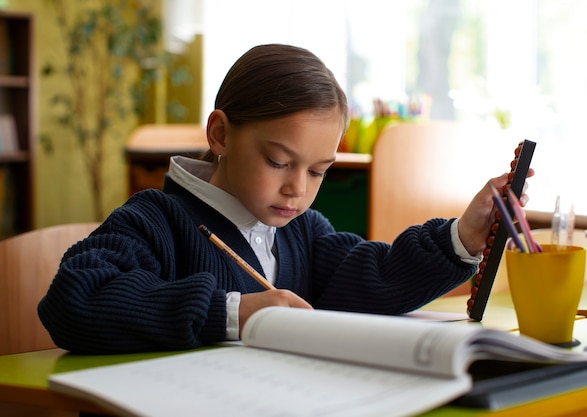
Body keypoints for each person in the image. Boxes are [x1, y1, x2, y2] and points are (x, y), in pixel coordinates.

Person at [38, 44, 533, 354]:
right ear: (220, 134)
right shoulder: (154, 221)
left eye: (318, 170)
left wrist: (464, 236)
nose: (298, 188)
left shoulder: (299, 230)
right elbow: (74, 302)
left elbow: (374, 277)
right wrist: (236, 313)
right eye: (279, 162)